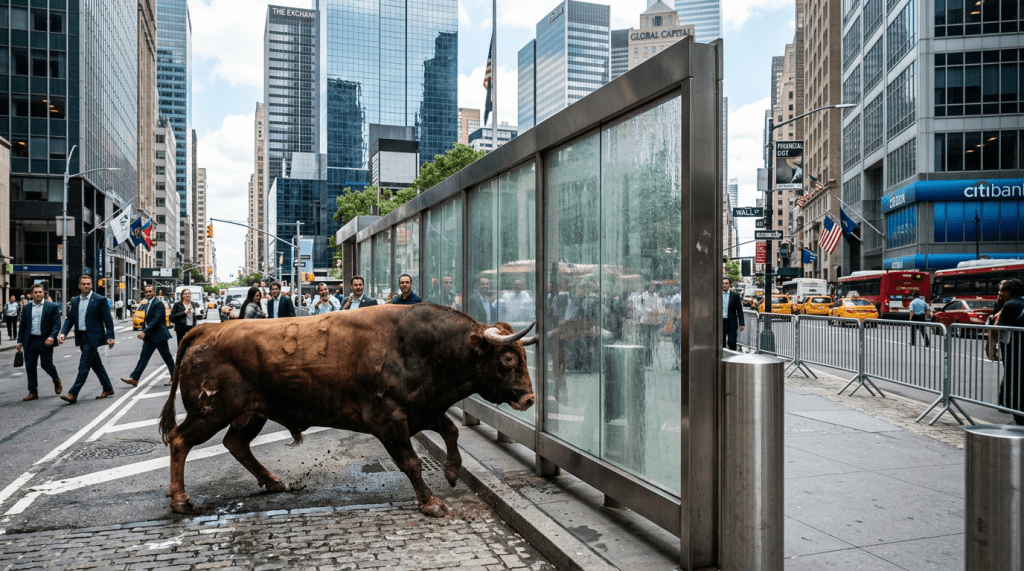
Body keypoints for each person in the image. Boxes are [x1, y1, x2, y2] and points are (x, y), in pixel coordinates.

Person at [58, 275, 116, 403]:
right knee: (96, 365)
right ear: (79, 286)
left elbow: (108, 319)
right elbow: (70, 319)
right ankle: (108, 388)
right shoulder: (75, 301)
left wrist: (110, 336)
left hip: (93, 337)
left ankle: (73, 393)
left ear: (91, 285)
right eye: (83, 284)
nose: (86, 286)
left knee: (83, 365)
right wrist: (63, 333)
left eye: (88, 284)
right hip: (81, 336)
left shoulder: (99, 300)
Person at [122, 285, 175, 388]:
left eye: (150, 291)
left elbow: (156, 319)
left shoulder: (158, 303)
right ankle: (134, 379)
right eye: (146, 292)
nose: (148, 293)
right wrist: (145, 331)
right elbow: (147, 321)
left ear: (154, 292)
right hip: (150, 337)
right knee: (143, 358)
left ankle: (174, 378)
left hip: (159, 336)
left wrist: (144, 332)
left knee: (167, 358)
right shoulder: (147, 304)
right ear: (144, 293)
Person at [16, 284, 62, 401]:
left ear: (43, 293)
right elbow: (22, 326)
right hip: (30, 340)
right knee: (30, 366)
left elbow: (56, 324)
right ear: (31, 294)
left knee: (46, 364)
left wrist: (52, 336)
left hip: (45, 340)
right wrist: (19, 341)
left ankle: (56, 380)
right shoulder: (26, 308)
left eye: (40, 292)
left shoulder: (52, 307)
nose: (38, 294)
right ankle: (33, 392)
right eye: (35, 292)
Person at [996, 279, 1024, 424]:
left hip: (1013, 349)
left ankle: (1018, 416)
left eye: (1001, 291)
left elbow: (1001, 329)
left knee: (1013, 380)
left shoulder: (1010, 305)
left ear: (1008, 292)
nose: (999, 294)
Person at [722, 277, 745, 351]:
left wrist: (742, 323)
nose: (724, 285)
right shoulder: (717, 295)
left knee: (732, 343)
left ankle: (731, 359)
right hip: (721, 323)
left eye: (726, 283)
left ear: (729, 285)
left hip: (731, 323)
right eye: (723, 283)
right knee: (721, 344)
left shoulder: (735, 295)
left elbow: (739, 310)